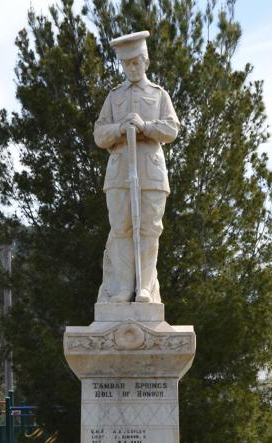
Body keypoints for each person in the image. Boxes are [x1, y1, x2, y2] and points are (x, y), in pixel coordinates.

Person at [94, 30, 179, 304]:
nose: (131, 68)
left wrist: (146, 127)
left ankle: (145, 288)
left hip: (150, 172)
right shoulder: (114, 97)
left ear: (145, 61)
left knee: (149, 229)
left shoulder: (159, 95)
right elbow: (99, 133)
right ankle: (122, 288)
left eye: (136, 62)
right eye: (126, 63)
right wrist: (120, 128)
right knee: (121, 229)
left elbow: (172, 129)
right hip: (119, 172)